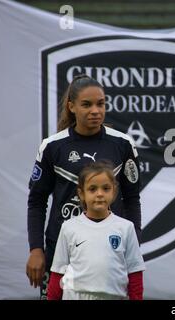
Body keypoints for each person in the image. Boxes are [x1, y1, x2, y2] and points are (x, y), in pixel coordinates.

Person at [26, 74, 142, 299]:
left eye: (101, 103)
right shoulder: (52, 146)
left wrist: (134, 243)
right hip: (61, 252)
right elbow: (36, 201)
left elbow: (132, 199)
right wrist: (36, 249)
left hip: (111, 252)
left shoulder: (123, 144)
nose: (96, 110)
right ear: (71, 107)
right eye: (87, 105)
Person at [47, 161, 145, 300]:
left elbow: (134, 273)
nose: (99, 194)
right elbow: (58, 272)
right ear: (81, 193)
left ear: (114, 191)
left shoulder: (126, 227)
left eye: (106, 188)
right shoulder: (69, 227)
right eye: (92, 189)